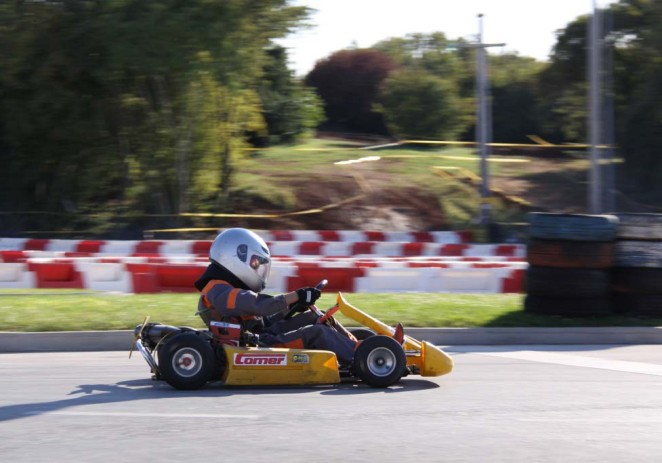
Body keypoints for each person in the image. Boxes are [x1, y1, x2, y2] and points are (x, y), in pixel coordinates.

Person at [194, 228, 357, 363]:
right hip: (259, 345)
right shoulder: (218, 290)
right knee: (318, 332)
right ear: (236, 256)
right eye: (255, 263)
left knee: (316, 317)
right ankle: (362, 357)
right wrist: (297, 295)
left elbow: (262, 321)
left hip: (261, 334)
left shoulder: (227, 287)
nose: (257, 268)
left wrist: (290, 307)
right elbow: (259, 305)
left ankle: (356, 346)